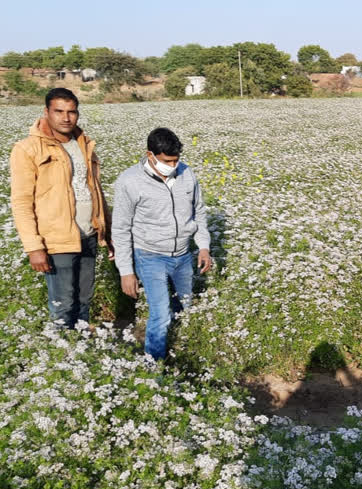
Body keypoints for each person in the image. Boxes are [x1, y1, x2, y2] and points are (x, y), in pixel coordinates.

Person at [10, 88, 113, 328]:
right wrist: (34, 247)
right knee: (63, 304)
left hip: (88, 234)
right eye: (59, 111)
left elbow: (96, 191)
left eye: (72, 112)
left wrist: (106, 232)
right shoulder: (28, 149)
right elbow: (22, 203)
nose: (66, 118)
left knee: (84, 299)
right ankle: (64, 353)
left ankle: (82, 350)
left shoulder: (84, 144)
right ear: (46, 112)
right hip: (57, 239)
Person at [112, 128, 211, 360]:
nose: (174, 165)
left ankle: (181, 351)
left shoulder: (187, 174)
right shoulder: (129, 181)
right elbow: (121, 228)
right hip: (150, 256)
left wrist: (204, 246)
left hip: (183, 255)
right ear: (150, 155)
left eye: (177, 160)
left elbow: (199, 213)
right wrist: (126, 271)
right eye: (168, 161)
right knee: (160, 313)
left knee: (185, 305)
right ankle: (153, 365)